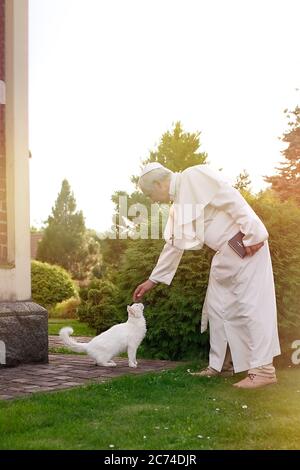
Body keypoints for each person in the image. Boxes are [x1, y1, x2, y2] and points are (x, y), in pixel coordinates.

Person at [133, 162, 281, 389]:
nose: (151, 200)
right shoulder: (176, 206)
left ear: (159, 183)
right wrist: (152, 281)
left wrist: (254, 234)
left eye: (149, 193)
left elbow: (232, 199)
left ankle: (263, 370)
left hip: (246, 246)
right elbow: (173, 246)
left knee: (252, 307)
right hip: (225, 256)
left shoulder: (194, 176)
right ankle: (221, 365)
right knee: (218, 308)